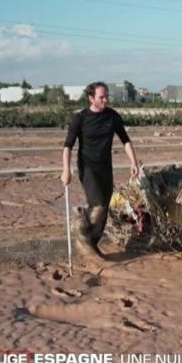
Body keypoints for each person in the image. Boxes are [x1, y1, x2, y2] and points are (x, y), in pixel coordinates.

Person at [61, 81, 139, 258]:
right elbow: (68, 146)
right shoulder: (80, 118)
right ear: (91, 98)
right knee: (98, 205)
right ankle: (80, 218)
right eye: (101, 97)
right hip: (88, 167)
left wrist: (133, 162)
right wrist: (66, 170)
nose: (105, 100)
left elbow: (125, 140)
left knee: (104, 210)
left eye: (106, 97)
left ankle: (91, 246)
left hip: (106, 168)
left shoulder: (112, 116)